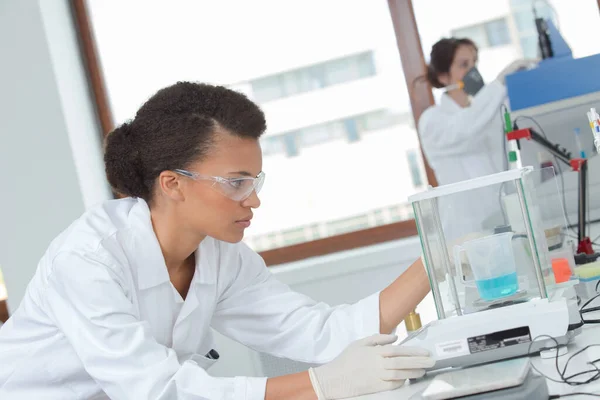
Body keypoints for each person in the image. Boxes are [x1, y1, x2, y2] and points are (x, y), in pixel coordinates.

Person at [0, 82, 434, 400]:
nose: (254, 200)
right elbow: (158, 391)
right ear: (172, 183)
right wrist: (320, 385)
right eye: (236, 183)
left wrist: (436, 255)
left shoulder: (221, 256)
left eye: (254, 181)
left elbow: (322, 334)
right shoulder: (88, 260)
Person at [418, 38, 537, 242]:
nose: (473, 71)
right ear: (443, 76)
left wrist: (526, 79)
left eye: (474, 63)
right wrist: (498, 85)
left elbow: (498, 113)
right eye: (464, 65)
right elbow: (466, 128)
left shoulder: (484, 112)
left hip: (501, 221)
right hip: (464, 232)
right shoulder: (432, 121)